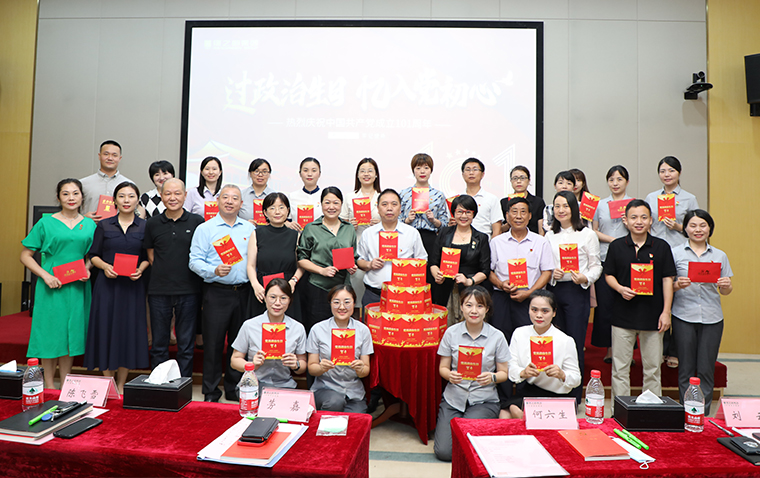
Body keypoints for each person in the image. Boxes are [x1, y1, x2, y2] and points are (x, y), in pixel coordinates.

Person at [20, 179, 96, 389]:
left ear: (82, 197)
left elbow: (93, 254)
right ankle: (49, 385)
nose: (71, 198)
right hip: (52, 285)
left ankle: (66, 382)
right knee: (50, 332)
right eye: (66, 193)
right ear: (58, 197)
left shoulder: (90, 224)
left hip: (77, 285)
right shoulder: (45, 223)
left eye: (75, 193)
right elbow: (25, 255)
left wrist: (87, 268)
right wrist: (45, 276)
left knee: (71, 332)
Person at [604, 199, 676, 404]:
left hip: (653, 317)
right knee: (620, 368)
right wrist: (620, 288)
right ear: (625, 220)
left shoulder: (661, 247)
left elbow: (668, 280)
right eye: (634, 217)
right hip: (622, 316)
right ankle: (620, 411)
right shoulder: (617, 246)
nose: (639, 221)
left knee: (652, 369)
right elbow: (608, 274)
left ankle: (651, 410)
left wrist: (666, 312)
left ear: (651, 220)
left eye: (644, 217)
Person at [189, 184, 255, 402]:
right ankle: (210, 390)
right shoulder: (205, 229)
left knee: (239, 343)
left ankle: (234, 388)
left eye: (235, 198)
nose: (229, 201)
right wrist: (213, 270)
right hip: (216, 292)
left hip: (243, 292)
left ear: (241, 204)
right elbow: (194, 261)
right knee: (213, 343)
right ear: (217, 201)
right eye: (225, 197)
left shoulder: (249, 229)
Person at [84, 181, 150, 394]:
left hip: (132, 286)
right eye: (121, 196)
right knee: (106, 329)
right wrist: (105, 267)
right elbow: (93, 255)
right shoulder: (104, 225)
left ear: (137, 200)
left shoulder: (145, 226)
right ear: (114, 201)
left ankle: (121, 383)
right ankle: (108, 382)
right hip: (107, 286)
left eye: (131, 196)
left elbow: (147, 257)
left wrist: (140, 269)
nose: (126, 200)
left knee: (127, 331)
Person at [433, 286, 509, 462]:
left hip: (484, 399)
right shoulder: (451, 333)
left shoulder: (497, 336)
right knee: (444, 452)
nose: (474, 311)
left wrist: (492, 377)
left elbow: (504, 373)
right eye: (469, 305)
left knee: (468, 447)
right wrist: (449, 375)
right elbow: (443, 367)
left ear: (487, 309)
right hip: (454, 398)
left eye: (480, 306)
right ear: (461, 307)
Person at [489, 196, 554, 403]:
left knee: (527, 344)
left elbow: (547, 271)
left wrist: (530, 292)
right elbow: (489, 271)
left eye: (523, 212)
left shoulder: (540, 241)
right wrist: (501, 284)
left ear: (530, 216)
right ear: (507, 216)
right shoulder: (496, 242)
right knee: (501, 342)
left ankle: (527, 395)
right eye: (514, 212)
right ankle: (504, 396)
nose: (518, 216)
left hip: (530, 301)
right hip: (502, 297)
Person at [672, 210, 732, 414]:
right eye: (693, 225)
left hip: (712, 317)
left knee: (706, 368)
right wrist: (677, 284)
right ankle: (687, 412)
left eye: (703, 225)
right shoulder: (675, 253)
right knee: (686, 368)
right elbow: (667, 286)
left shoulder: (719, 255)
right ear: (685, 228)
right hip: (683, 315)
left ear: (710, 228)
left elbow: (726, 290)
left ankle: (702, 415)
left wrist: (726, 285)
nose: (698, 230)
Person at [143, 178, 204, 378]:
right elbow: (151, 256)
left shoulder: (197, 222)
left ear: (185, 196)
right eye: (168, 193)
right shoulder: (152, 223)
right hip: (159, 290)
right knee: (159, 344)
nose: (173, 197)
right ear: (161, 196)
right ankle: (159, 384)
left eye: (177, 193)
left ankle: (182, 384)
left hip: (189, 290)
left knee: (186, 345)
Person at [544, 191, 602, 400]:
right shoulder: (549, 235)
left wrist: (585, 277)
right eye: (557, 206)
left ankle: (574, 395)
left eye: (565, 206)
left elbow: (596, 266)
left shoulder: (587, 234)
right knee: (554, 343)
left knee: (575, 343)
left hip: (577, 292)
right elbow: (545, 266)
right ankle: (554, 392)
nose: (561, 210)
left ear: (574, 209)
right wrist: (553, 274)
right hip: (554, 292)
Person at [645, 156, 700, 368]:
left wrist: (677, 226)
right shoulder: (651, 197)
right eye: (663, 171)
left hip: (679, 253)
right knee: (657, 299)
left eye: (671, 170)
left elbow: (696, 227)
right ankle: (659, 348)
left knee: (677, 300)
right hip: (656, 251)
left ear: (679, 173)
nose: (666, 175)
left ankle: (674, 350)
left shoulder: (689, 198)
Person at [500, 290, 581, 419]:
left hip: (557, 394)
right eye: (534, 310)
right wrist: (523, 373)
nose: (538, 315)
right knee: (505, 413)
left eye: (545, 311)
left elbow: (576, 379)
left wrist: (562, 374)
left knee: (518, 413)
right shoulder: (519, 333)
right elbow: (511, 367)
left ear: (554, 313)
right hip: (531, 389)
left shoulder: (565, 340)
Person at [230, 278, 307, 395]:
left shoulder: (298, 328)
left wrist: (296, 364)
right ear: (265, 298)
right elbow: (234, 360)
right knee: (266, 403)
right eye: (272, 297)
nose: (277, 303)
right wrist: (251, 365)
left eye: (283, 298)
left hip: (285, 385)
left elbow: (303, 364)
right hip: (254, 385)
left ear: (290, 300)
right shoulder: (250, 325)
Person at [297, 187, 357, 333]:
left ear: (341, 204)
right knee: (317, 330)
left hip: (342, 289)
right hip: (318, 288)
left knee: (341, 331)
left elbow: (353, 256)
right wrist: (322, 270)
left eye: (336, 203)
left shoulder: (349, 228)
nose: (331, 207)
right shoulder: (311, 228)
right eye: (327, 202)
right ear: (321, 204)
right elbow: (301, 259)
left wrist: (352, 266)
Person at [356, 188, 427, 308]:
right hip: (374, 294)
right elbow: (359, 260)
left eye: (394, 204)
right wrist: (370, 264)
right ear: (378, 209)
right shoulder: (368, 233)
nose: (389, 208)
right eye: (384, 204)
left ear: (400, 209)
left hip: (405, 295)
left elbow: (423, 260)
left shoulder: (412, 233)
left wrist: (408, 267)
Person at [307, 285, 372, 413]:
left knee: (357, 418)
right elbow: (312, 368)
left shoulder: (363, 330)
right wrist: (321, 367)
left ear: (354, 303)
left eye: (347, 302)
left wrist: (360, 369)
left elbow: (366, 370)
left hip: (353, 391)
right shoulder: (318, 329)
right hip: (325, 388)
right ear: (330, 304)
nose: (342, 307)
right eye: (336, 302)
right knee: (334, 402)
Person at [592, 165, 633, 362]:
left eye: (619, 179)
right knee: (606, 305)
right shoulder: (600, 205)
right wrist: (613, 240)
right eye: (611, 180)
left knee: (628, 304)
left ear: (627, 181)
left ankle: (627, 352)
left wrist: (629, 224)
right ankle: (609, 349)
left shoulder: (634, 204)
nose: (615, 183)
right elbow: (594, 231)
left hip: (628, 258)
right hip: (605, 257)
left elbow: (642, 228)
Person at [429, 195, 491, 323]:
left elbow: (485, 270)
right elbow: (433, 262)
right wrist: (437, 275)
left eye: (468, 212)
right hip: (445, 290)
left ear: (474, 214)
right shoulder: (444, 233)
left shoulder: (481, 238)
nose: (464, 216)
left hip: (470, 292)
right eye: (460, 212)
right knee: (444, 327)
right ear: (454, 213)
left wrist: (469, 281)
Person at [247, 192, 303, 320]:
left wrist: (293, 281)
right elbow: (251, 265)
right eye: (272, 208)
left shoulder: (295, 235)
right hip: (262, 289)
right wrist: (256, 285)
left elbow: (301, 264)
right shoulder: (257, 234)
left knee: (288, 327)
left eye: (281, 207)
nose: (277, 212)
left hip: (288, 287)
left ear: (288, 210)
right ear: (265, 212)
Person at [399, 153, 450, 281]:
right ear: (413, 171)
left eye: (426, 168)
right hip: (408, 237)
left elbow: (445, 224)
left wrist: (434, 220)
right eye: (418, 168)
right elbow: (395, 220)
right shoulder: (404, 194)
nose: (422, 171)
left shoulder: (438, 195)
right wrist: (407, 220)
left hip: (430, 238)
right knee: (408, 274)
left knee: (429, 276)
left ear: (431, 171)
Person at [340, 158, 382, 306]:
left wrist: (380, 224)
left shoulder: (382, 197)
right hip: (356, 249)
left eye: (370, 171)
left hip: (379, 250)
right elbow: (340, 226)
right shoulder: (349, 197)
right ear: (357, 175)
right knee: (356, 293)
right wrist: (349, 225)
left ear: (376, 175)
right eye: (362, 171)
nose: (366, 174)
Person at [80, 140, 133, 222]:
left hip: (119, 228)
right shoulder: (83, 183)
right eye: (106, 154)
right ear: (99, 156)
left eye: (114, 155)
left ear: (119, 158)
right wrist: (83, 218)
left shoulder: (129, 185)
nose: (110, 158)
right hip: (91, 228)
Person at [457, 158, 502, 238]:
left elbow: (497, 229)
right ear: (463, 174)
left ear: (482, 174)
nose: (471, 173)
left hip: (484, 243)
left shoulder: (492, 199)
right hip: (460, 242)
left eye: (475, 169)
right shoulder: (456, 199)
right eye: (468, 170)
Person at [500, 165, 545, 235]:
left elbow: (541, 229)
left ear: (529, 180)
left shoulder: (538, 202)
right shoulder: (504, 202)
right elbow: (500, 230)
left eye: (522, 178)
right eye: (515, 178)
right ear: (511, 181)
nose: (518, 181)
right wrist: (509, 223)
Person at [287, 157, 323, 231]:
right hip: (298, 236)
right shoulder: (292, 196)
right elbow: (286, 220)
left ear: (319, 174)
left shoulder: (325, 196)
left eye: (314, 170)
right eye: (305, 170)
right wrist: (287, 223)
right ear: (300, 174)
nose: (309, 174)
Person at [239, 158, 275, 223]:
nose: (260, 175)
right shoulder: (241, 195)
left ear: (269, 174)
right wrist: (246, 224)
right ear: (250, 173)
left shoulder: (275, 196)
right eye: (256, 171)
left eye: (264, 172)